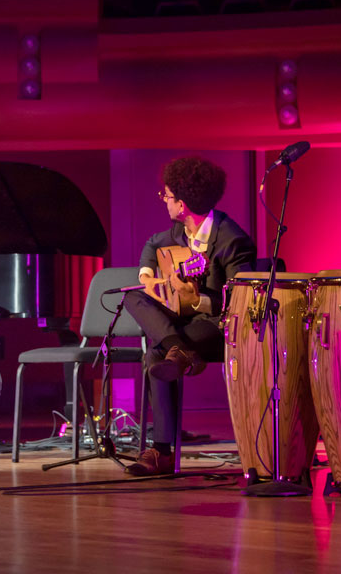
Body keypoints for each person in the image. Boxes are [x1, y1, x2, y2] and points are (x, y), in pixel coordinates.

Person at [123, 156, 256, 476]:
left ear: (182, 204)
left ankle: (162, 452)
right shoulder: (177, 232)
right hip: (183, 326)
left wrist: (196, 300)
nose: (163, 201)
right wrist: (147, 277)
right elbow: (150, 245)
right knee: (132, 296)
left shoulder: (231, 240)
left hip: (221, 325)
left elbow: (242, 299)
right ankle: (178, 348)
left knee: (156, 357)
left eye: (166, 196)